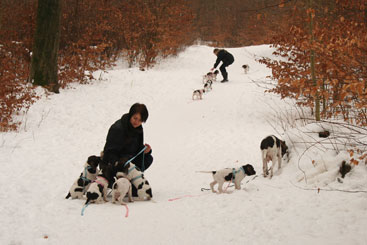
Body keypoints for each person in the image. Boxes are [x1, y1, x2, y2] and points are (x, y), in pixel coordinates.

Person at [102, 103, 153, 176]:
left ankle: (131, 176)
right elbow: (110, 152)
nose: (137, 122)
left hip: (129, 159)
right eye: (135, 118)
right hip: (116, 161)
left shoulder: (138, 129)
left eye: (140, 120)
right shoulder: (118, 129)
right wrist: (120, 163)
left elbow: (137, 147)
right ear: (130, 115)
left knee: (148, 158)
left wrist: (146, 150)